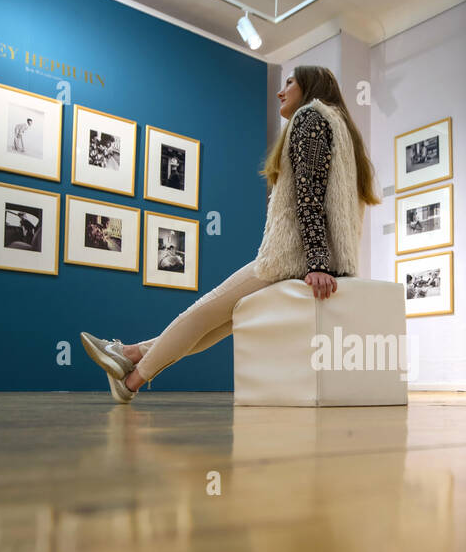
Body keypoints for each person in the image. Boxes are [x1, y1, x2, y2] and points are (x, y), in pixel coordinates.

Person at [79, 65, 381, 403]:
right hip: (320, 259)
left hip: (290, 257)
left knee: (203, 312)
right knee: (222, 321)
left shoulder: (310, 118)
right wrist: (324, 260)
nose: (281, 92)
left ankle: (130, 372)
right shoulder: (343, 130)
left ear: (310, 86)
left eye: (290, 83)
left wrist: (317, 262)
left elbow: (308, 194)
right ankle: (130, 360)